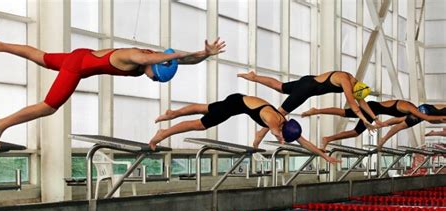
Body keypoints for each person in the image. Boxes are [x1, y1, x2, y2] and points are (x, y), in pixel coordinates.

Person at [0, 37, 226, 149]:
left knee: (40, 57)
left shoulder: (149, 59)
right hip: (77, 67)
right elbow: (171, 57)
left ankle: (0, 45)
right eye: (155, 77)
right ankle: (0, 124)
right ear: (156, 63)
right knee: (49, 106)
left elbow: (184, 61)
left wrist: (203, 55)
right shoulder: (134, 56)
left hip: (81, 55)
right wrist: (180, 53)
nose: (153, 80)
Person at [149, 93, 340, 164]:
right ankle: (163, 133)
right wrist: (276, 136)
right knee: (199, 125)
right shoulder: (274, 120)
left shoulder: (285, 121)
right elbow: (272, 127)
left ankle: (173, 113)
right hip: (234, 105)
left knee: (204, 108)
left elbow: (304, 142)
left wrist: (324, 156)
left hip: (237, 102)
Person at [237, 70, 377, 136]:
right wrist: (364, 120)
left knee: (280, 86)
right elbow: (353, 104)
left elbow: (362, 103)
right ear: (355, 87)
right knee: (280, 114)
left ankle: (254, 77)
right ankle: (260, 134)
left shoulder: (351, 78)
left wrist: (374, 118)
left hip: (307, 80)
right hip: (306, 90)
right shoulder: (345, 81)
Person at [302, 100, 446, 149]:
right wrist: (383, 139)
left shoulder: (411, 112)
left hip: (372, 110)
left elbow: (395, 121)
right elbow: (424, 117)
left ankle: (318, 112)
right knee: (354, 129)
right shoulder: (413, 109)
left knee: (345, 114)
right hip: (371, 109)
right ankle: (327, 137)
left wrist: (381, 124)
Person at [378, 104, 446, 148]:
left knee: (401, 119)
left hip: (425, 108)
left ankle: (379, 124)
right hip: (426, 111)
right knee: (401, 126)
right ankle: (383, 139)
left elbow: (437, 121)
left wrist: (433, 132)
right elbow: (437, 120)